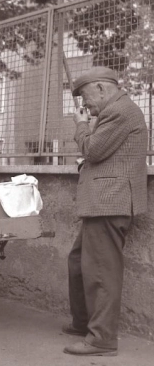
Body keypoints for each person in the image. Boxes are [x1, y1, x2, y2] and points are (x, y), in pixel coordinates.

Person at [62, 67, 148, 356]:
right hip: (102, 202)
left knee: (101, 271)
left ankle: (101, 339)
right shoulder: (117, 111)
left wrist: (81, 125)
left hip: (110, 202)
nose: (85, 105)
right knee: (78, 262)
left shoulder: (120, 111)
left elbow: (94, 151)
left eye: (86, 97)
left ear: (101, 88)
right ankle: (84, 322)